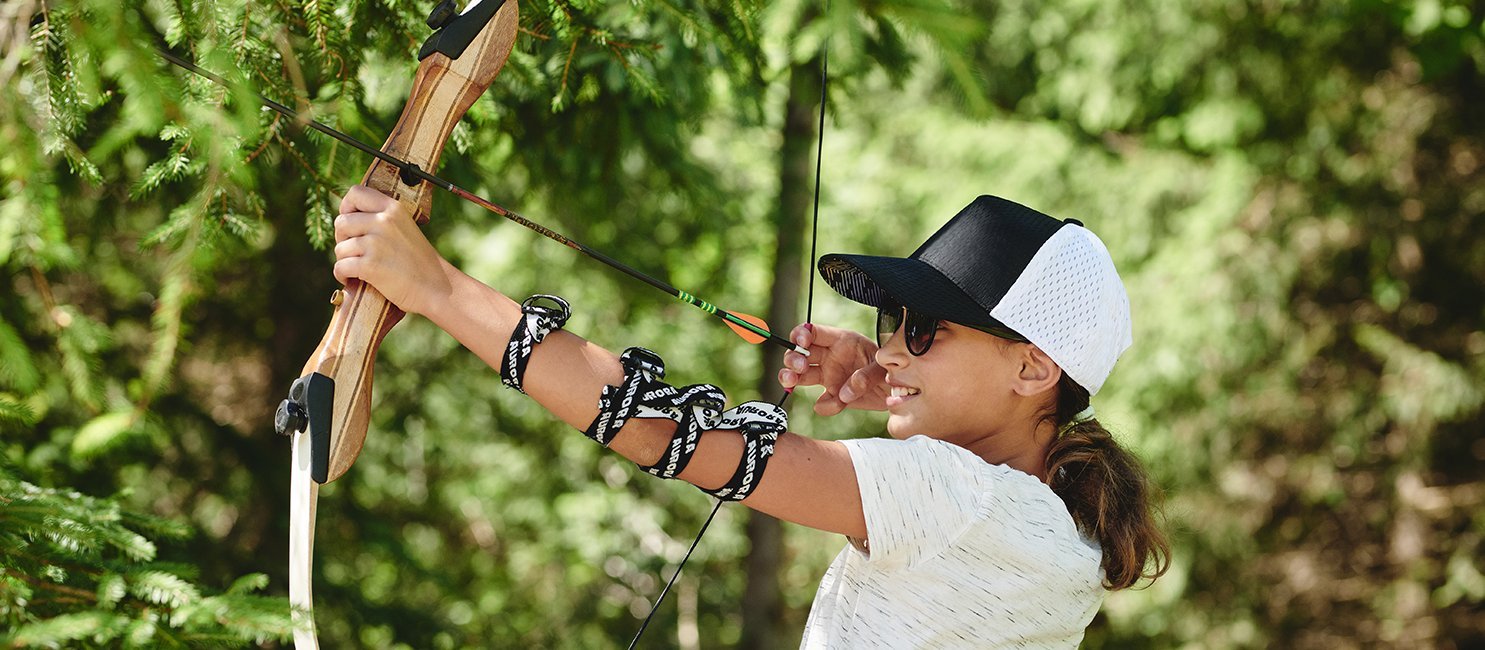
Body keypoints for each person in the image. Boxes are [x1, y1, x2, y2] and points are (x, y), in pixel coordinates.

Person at [332, 188, 1170, 648]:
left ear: (1033, 366)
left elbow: (661, 429)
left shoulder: (954, 496)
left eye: (925, 330)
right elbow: (989, 443)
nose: (892, 351)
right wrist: (897, 380)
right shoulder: (1062, 529)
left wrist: (437, 289)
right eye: (891, 326)